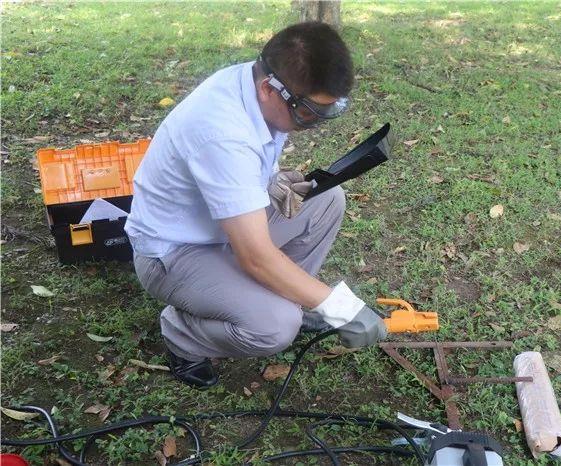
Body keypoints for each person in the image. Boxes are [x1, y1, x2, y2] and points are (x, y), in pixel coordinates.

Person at [124, 22, 387, 388]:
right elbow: (256, 256)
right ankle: (181, 332)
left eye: (328, 113)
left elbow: (246, 164)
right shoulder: (221, 131)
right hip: (174, 253)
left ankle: (278, 296)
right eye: (310, 113)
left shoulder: (256, 87)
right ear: (270, 89)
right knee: (275, 327)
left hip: (220, 229)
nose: (313, 125)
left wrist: (270, 182)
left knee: (327, 200)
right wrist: (340, 308)